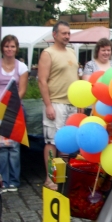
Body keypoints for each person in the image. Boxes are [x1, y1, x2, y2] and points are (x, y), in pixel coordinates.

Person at [38, 21, 79, 191]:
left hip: (71, 104)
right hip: (55, 103)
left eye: (69, 33)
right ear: (55, 35)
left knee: (66, 143)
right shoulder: (48, 53)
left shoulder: (71, 52)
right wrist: (48, 105)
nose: (67, 36)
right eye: (64, 33)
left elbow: (76, 77)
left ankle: (60, 176)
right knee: (52, 143)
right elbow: (41, 81)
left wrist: (78, 103)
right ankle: (50, 178)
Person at [0, 35, 28, 192]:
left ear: (16, 49)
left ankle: (14, 181)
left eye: (12, 46)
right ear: (2, 48)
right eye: (6, 46)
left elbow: (22, 90)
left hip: (14, 109)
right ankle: (2, 180)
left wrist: (10, 106)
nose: (9, 49)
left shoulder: (21, 67)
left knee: (14, 146)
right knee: (1, 146)